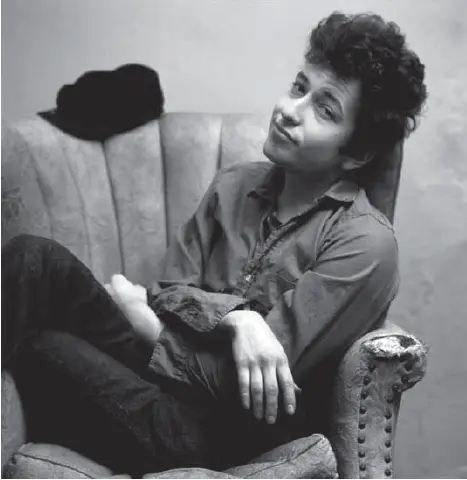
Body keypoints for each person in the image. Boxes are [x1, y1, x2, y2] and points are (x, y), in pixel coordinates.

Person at [2, 11, 427, 476]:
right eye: (298, 87)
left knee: (41, 347)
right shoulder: (233, 185)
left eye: (325, 110)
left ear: (358, 153)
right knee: (34, 258)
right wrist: (238, 320)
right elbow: (167, 291)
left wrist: (151, 327)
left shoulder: (364, 244)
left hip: (219, 431)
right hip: (156, 373)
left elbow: (243, 386)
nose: (289, 110)